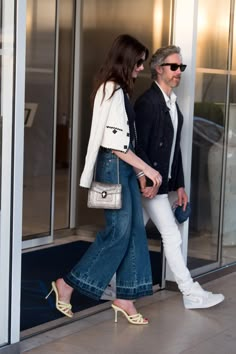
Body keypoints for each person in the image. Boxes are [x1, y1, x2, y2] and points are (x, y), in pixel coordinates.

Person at [45, 34, 162, 324]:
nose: (140, 69)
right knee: (118, 232)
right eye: (138, 63)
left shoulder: (119, 90)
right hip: (111, 167)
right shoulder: (111, 89)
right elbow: (114, 144)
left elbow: (126, 141)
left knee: (134, 231)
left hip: (121, 168)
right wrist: (148, 170)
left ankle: (125, 297)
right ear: (126, 59)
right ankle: (67, 284)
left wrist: (138, 174)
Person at [134, 45, 225, 309]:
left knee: (126, 235)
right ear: (158, 69)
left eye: (181, 67)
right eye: (174, 67)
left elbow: (175, 150)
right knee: (171, 237)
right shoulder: (148, 103)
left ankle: (110, 285)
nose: (178, 72)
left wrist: (181, 185)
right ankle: (190, 292)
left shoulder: (171, 104)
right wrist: (148, 179)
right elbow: (139, 146)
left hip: (163, 183)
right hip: (151, 185)